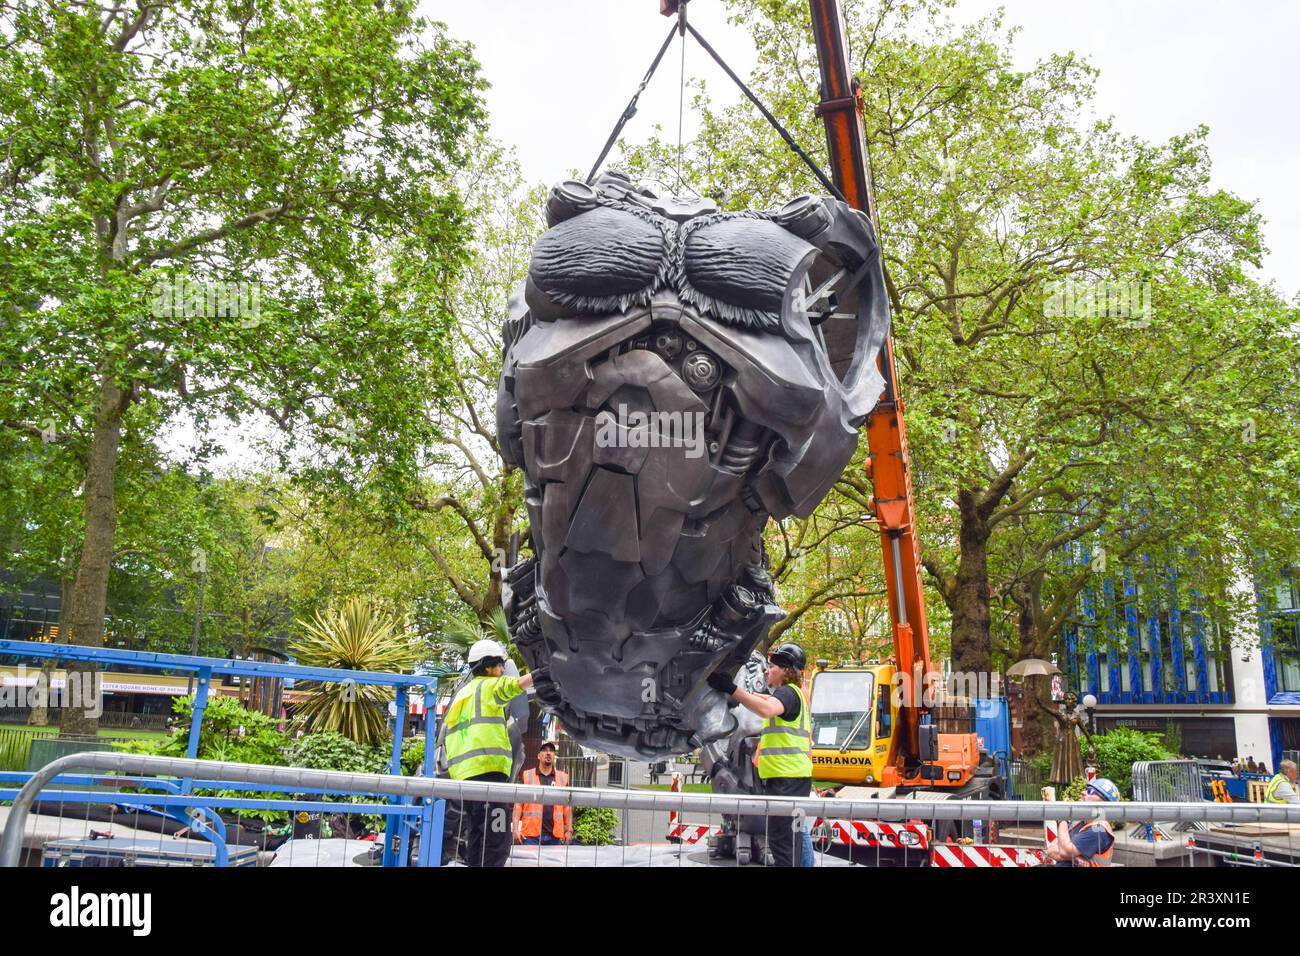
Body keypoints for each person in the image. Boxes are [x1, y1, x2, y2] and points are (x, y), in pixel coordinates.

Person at [708, 642, 812, 867]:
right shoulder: (794, 694)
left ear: (786, 670)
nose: (767, 670)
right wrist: (737, 691)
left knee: (783, 842)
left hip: (788, 780)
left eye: (773, 666)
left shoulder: (787, 693)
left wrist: (732, 689)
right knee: (788, 839)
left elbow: (766, 709)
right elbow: (764, 700)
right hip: (790, 778)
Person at [441, 639, 536, 867]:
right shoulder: (488, 687)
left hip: (467, 780)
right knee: (497, 840)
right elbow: (516, 685)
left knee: (476, 837)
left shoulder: (463, 696)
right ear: (486, 666)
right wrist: (546, 671)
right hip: (489, 776)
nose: (502, 670)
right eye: (499, 665)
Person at [1046, 777, 1119, 867]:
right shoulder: (1080, 822)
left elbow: (1065, 852)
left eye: (1090, 792)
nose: (1083, 793)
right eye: (1086, 789)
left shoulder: (1098, 830)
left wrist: (1062, 819)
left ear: (1104, 803)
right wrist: (1074, 858)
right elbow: (1051, 850)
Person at [513, 741, 572, 846]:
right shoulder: (527, 776)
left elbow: (567, 807)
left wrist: (569, 830)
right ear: (539, 756)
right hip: (531, 836)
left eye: (551, 751)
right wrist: (515, 828)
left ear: (554, 756)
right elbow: (518, 805)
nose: (548, 753)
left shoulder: (562, 777)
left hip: (555, 837)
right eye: (544, 750)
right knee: (531, 863)